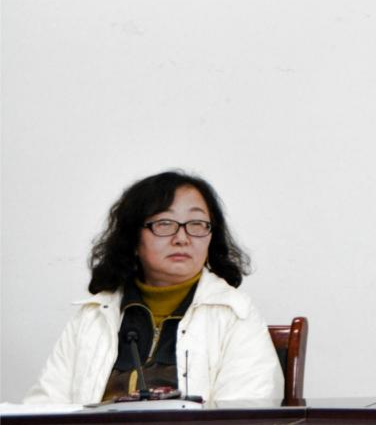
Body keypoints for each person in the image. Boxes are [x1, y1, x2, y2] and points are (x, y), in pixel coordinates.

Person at [25, 171, 283, 404]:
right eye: (164, 224)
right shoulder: (93, 316)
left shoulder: (235, 313)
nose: (182, 238)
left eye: (196, 224)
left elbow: (244, 414)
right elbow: (45, 407)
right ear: (133, 238)